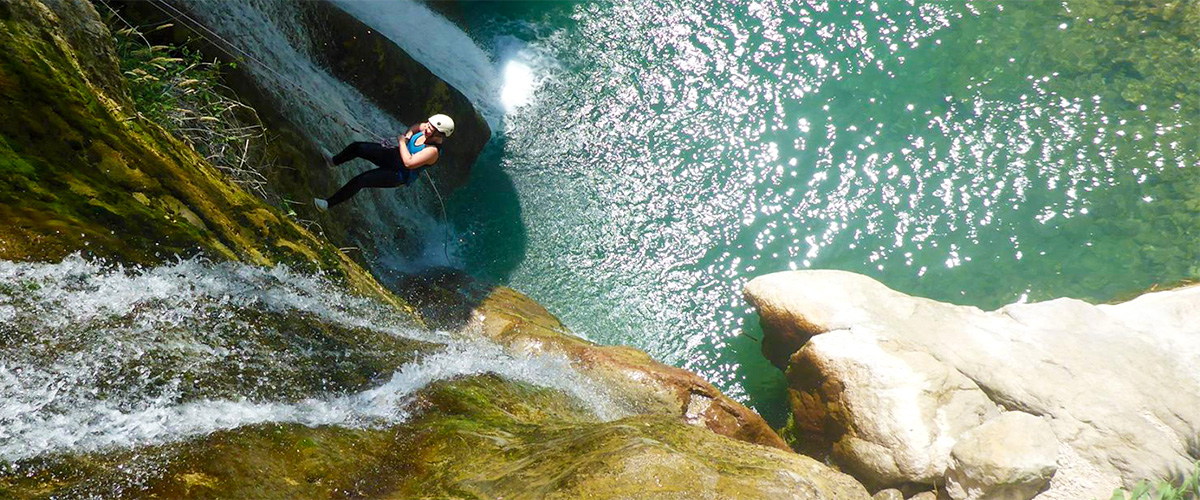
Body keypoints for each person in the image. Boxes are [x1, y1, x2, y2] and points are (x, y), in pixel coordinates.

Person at [313, 114, 455, 211]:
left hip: (398, 174)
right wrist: (408, 136)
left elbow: (409, 163)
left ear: (440, 135)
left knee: (363, 180)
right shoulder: (427, 128)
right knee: (358, 147)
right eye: (428, 125)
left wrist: (402, 142)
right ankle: (333, 161)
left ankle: (327, 204)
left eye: (431, 129)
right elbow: (416, 127)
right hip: (394, 157)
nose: (426, 128)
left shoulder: (432, 151)